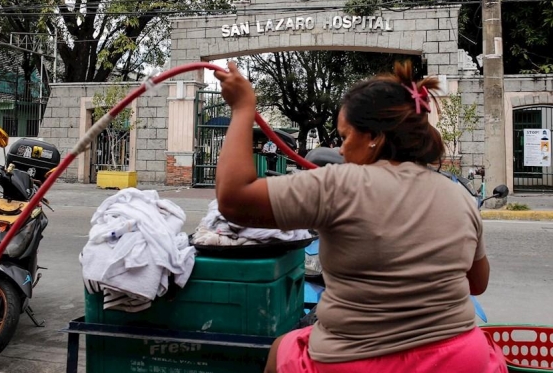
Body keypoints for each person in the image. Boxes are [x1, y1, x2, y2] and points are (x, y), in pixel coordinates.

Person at [213, 60, 506, 373]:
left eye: (344, 137)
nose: (340, 150)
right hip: (462, 359)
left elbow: (233, 200)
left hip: (356, 362)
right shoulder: (459, 195)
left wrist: (243, 108)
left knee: (280, 349)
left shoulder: (342, 184)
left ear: (373, 137)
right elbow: (477, 283)